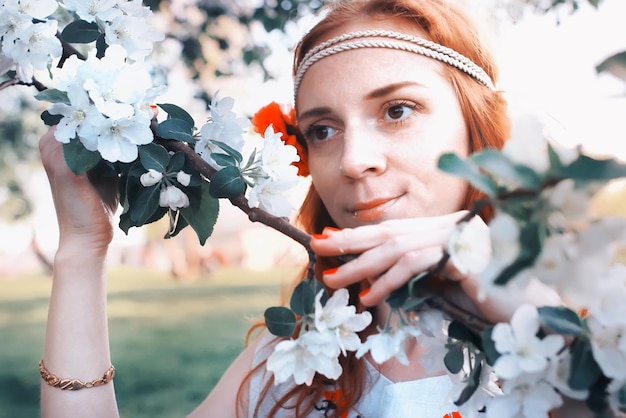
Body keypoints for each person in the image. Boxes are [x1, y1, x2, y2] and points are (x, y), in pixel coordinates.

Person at [38, 0, 578, 417]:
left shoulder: (591, 336)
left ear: (476, 132)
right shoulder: (297, 360)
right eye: (322, 130)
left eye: (397, 110)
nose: (353, 160)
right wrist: (83, 248)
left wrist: (542, 326)